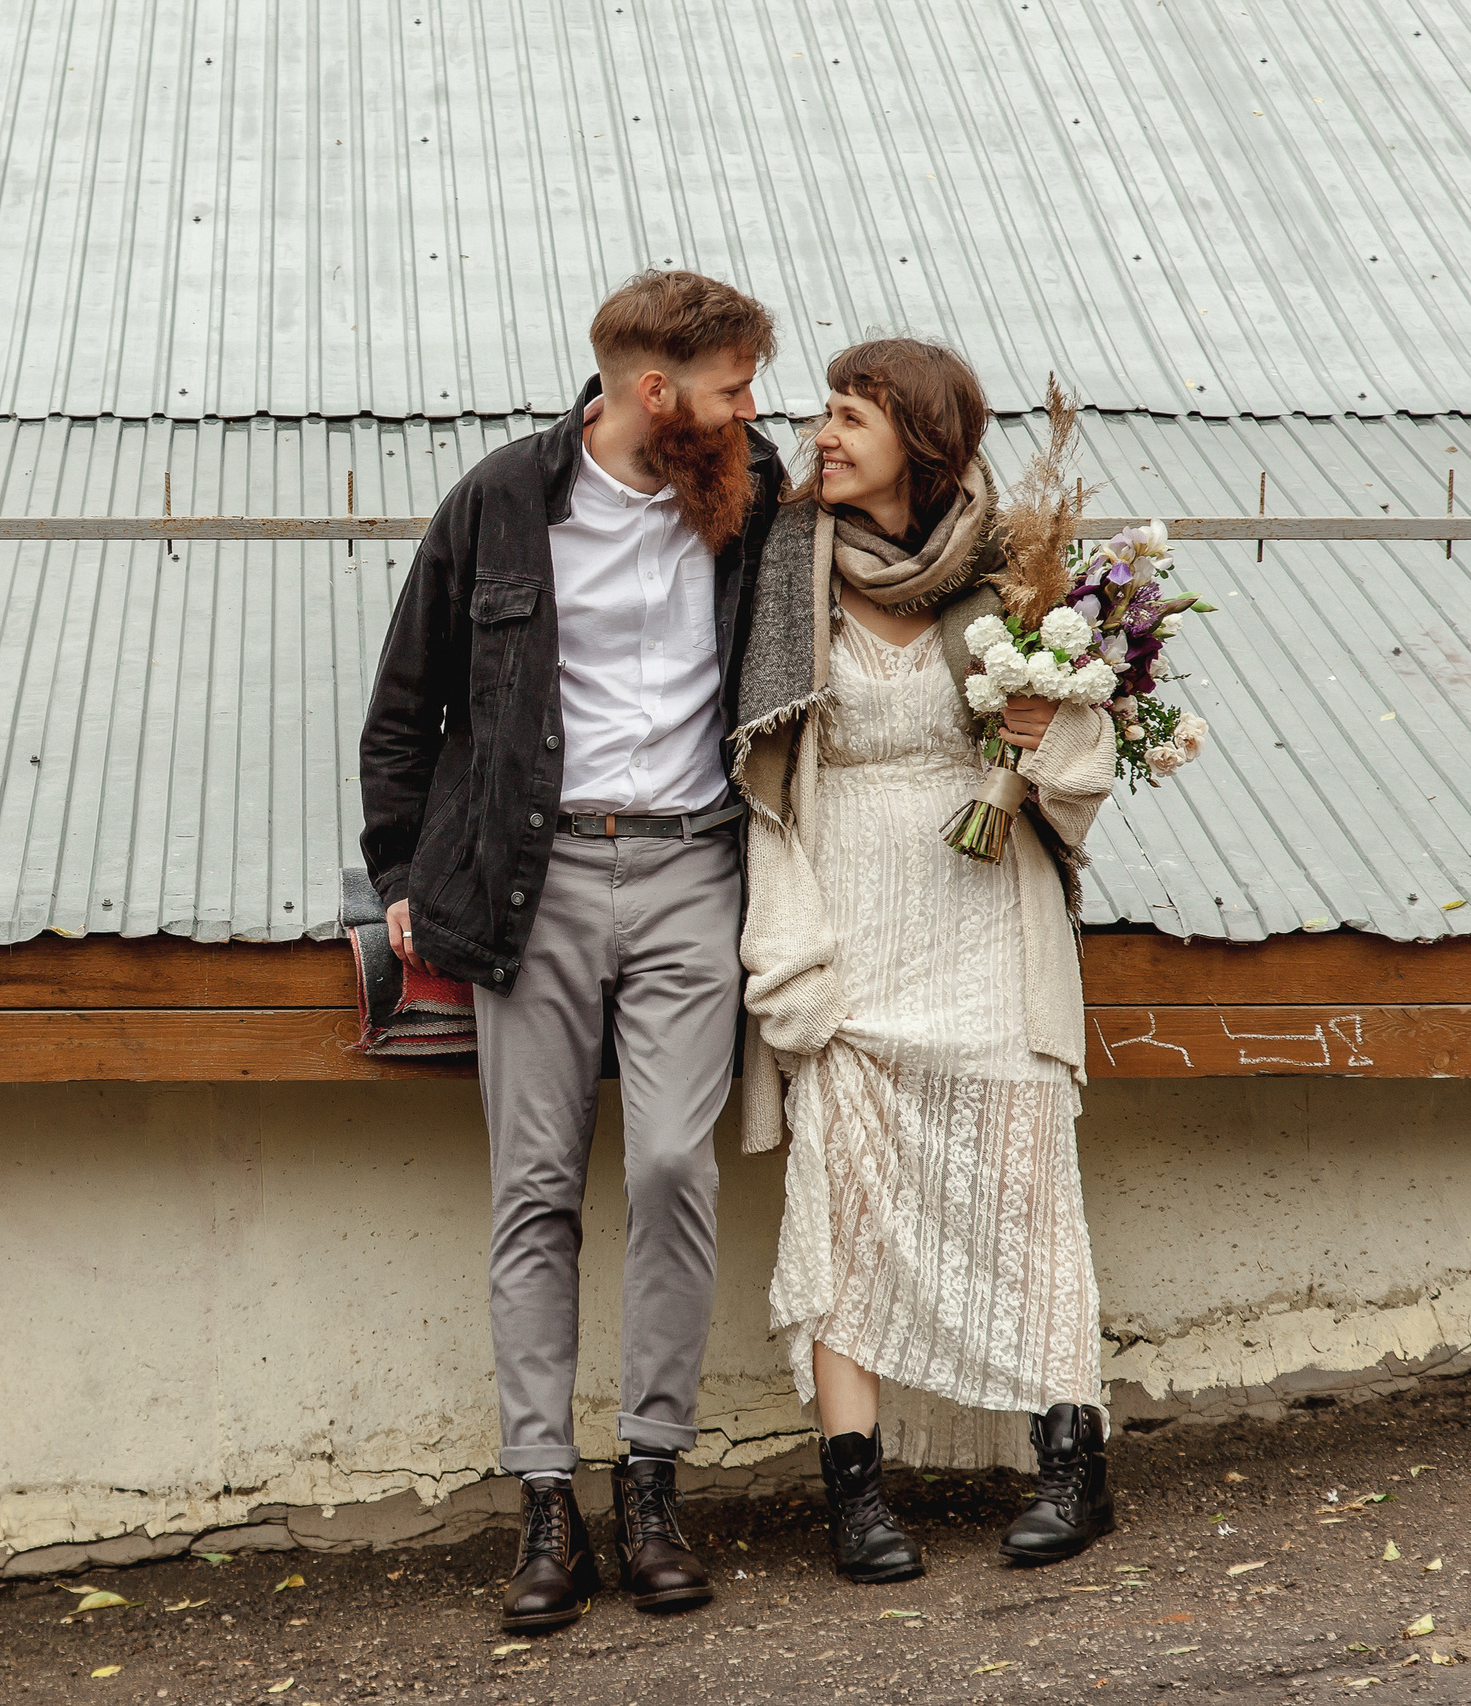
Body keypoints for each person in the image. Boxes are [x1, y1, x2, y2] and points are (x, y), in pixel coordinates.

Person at [359, 271, 785, 1632]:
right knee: (534, 1188)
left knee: (669, 1162)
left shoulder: (755, 491)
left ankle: (650, 1480)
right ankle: (546, 1503)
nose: (752, 408)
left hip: (690, 864)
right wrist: (403, 874)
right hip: (530, 880)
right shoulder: (499, 502)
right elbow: (406, 708)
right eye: (730, 386)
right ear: (653, 393)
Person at [728, 338, 1118, 1584]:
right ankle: (857, 1493)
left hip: (983, 923)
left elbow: (1090, 758)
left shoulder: (1013, 568)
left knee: (1024, 1193)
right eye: (821, 415)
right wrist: (788, 951)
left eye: (848, 416)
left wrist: (1039, 733)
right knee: (842, 1205)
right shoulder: (778, 561)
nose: (821, 435)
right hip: (848, 926)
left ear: (920, 436)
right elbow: (765, 785)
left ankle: (1071, 1461)